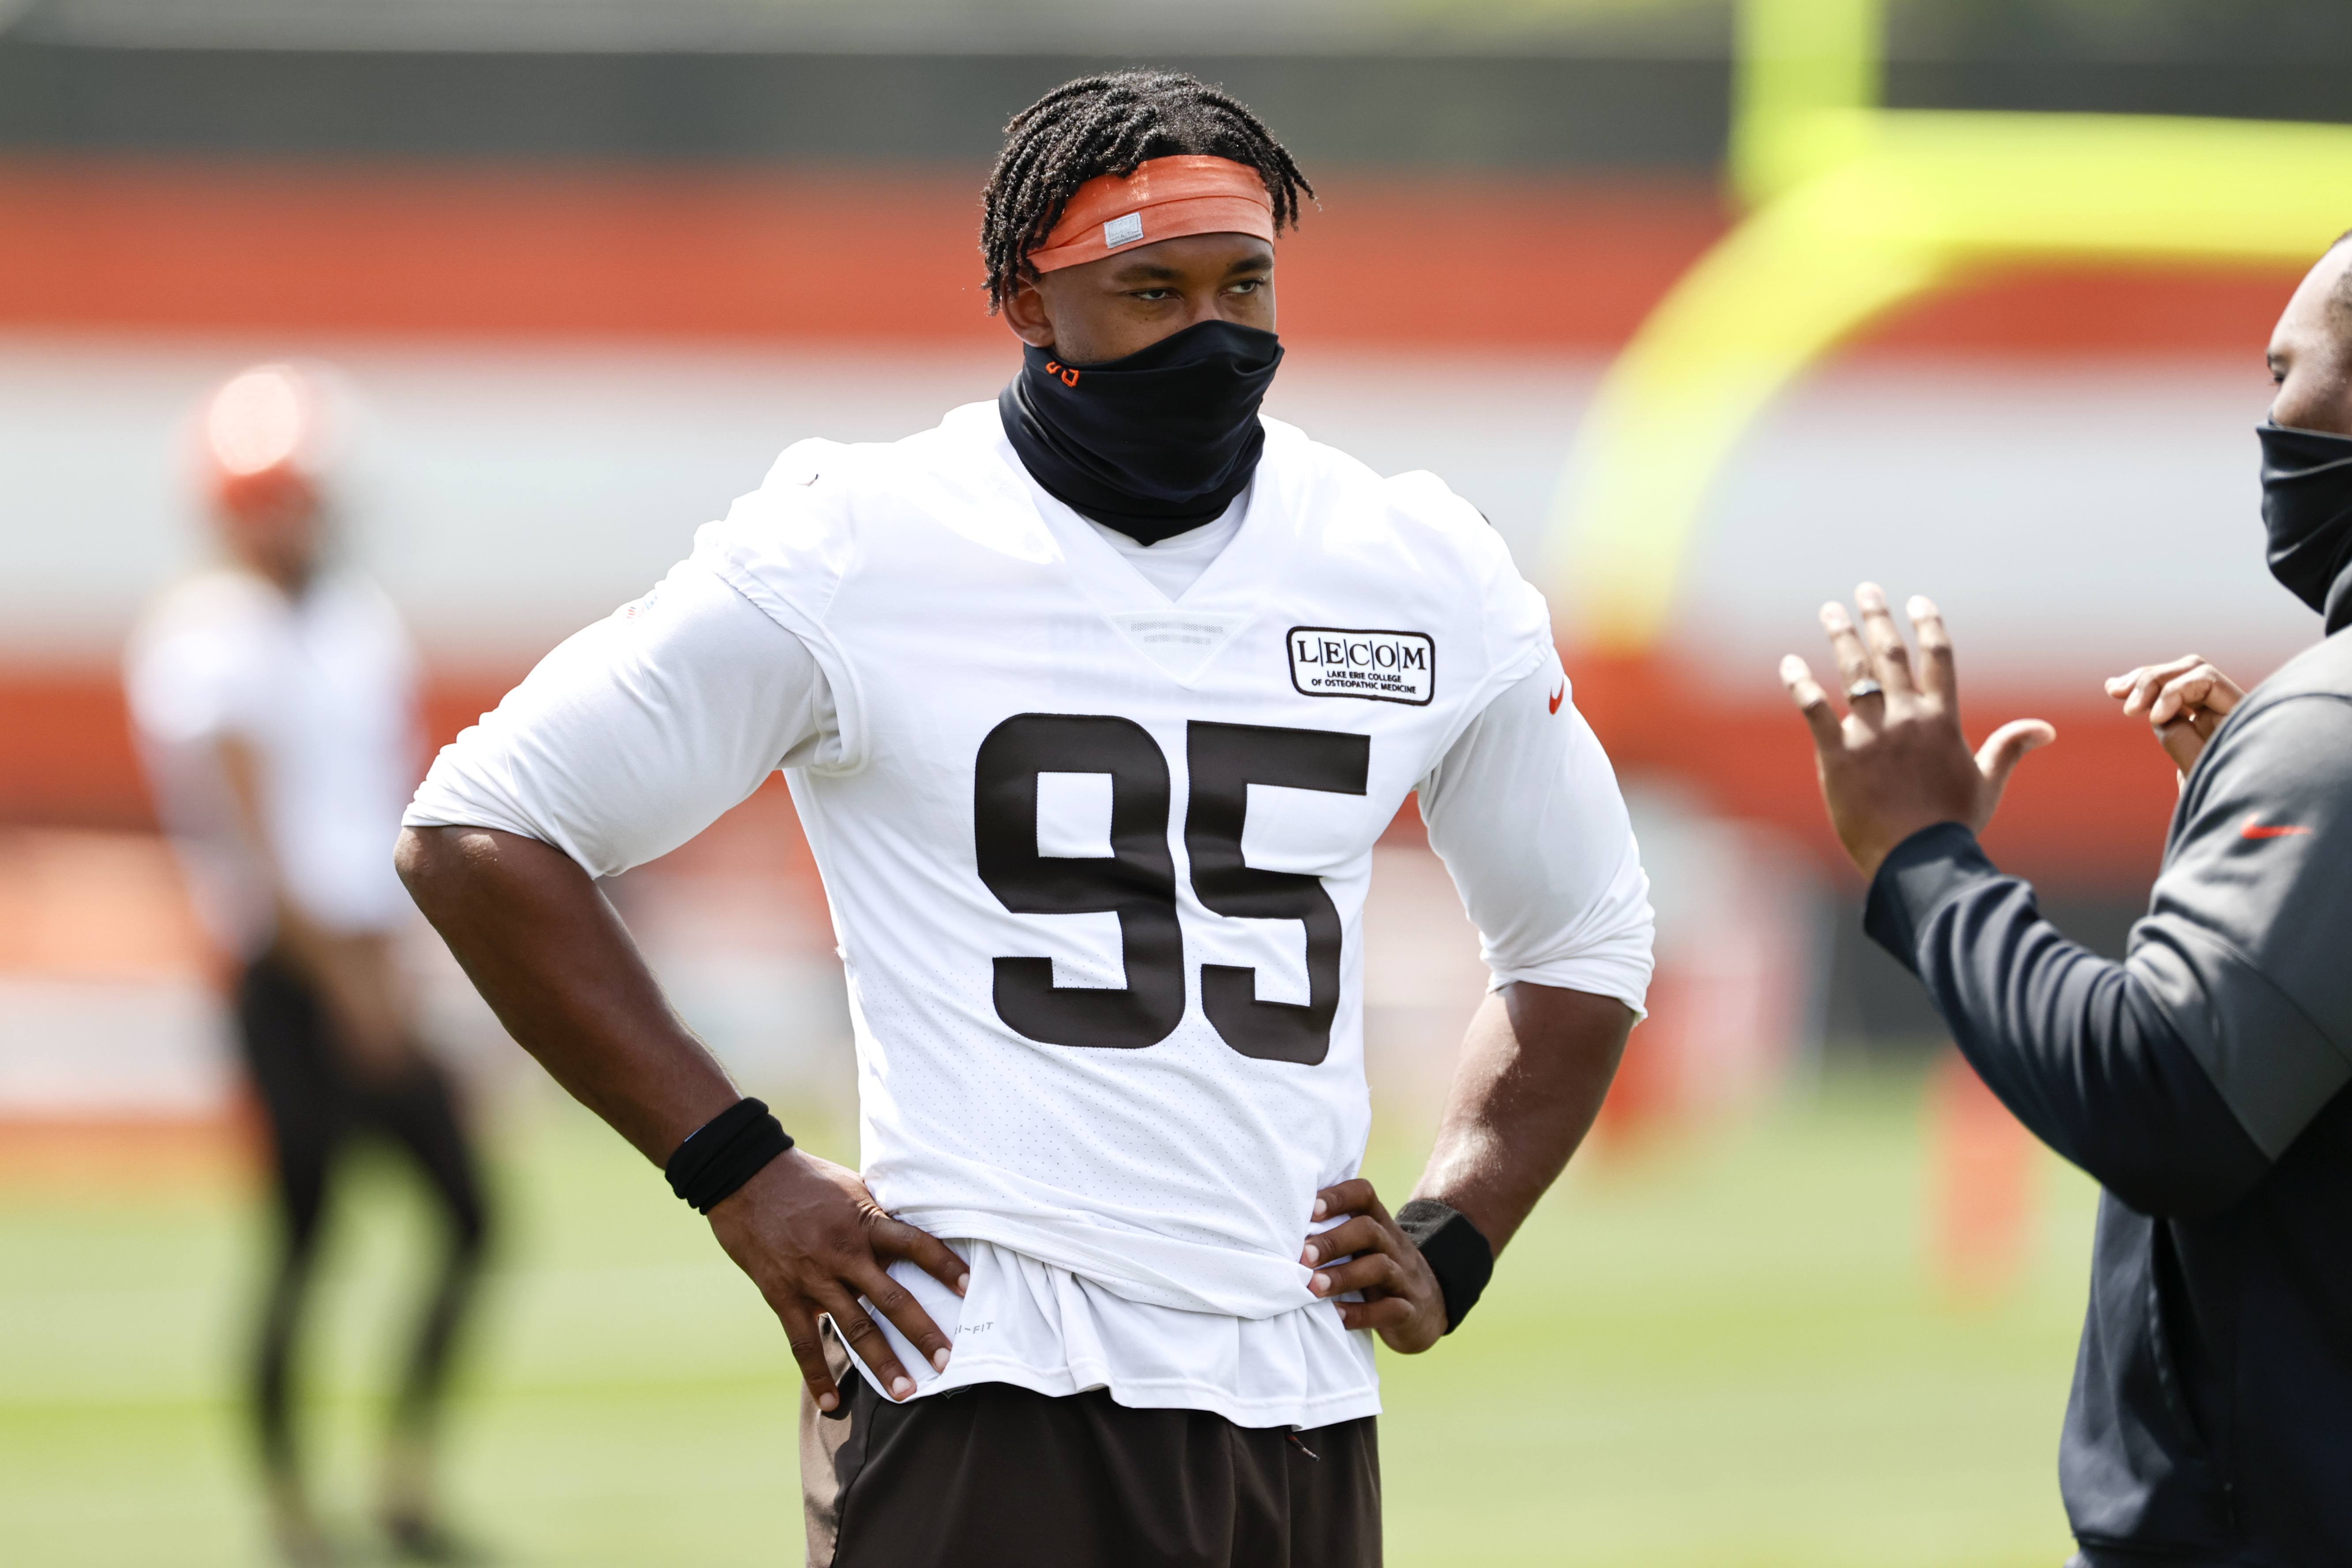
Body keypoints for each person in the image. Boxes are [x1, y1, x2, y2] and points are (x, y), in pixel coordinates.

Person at [396, 71, 1651, 1566]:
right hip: (984, 1357)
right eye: (1149, 289)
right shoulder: (865, 540)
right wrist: (737, 1168)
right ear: (1027, 301)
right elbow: (480, 826)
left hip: (1295, 1373)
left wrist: (1460, 1225)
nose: (1211, 332)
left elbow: (1583, 929)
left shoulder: (1414, 561)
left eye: (1243, 282)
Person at [1779, 233, 2352, 1566]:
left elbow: (2163, 1097)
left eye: (2286, 371)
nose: (2266, 419)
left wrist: (1925, 860)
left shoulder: (2329, 719)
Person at [126, 364, 490, 1566]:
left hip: (370, 956)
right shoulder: (205, 638)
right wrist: (354, 996)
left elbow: (379, 809)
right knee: (307, 1234)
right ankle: (291, 1503)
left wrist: (401, 972)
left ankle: (403, 1472)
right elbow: (258, 852)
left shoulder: (353, 617)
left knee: (469, 1215)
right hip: (289, 975)